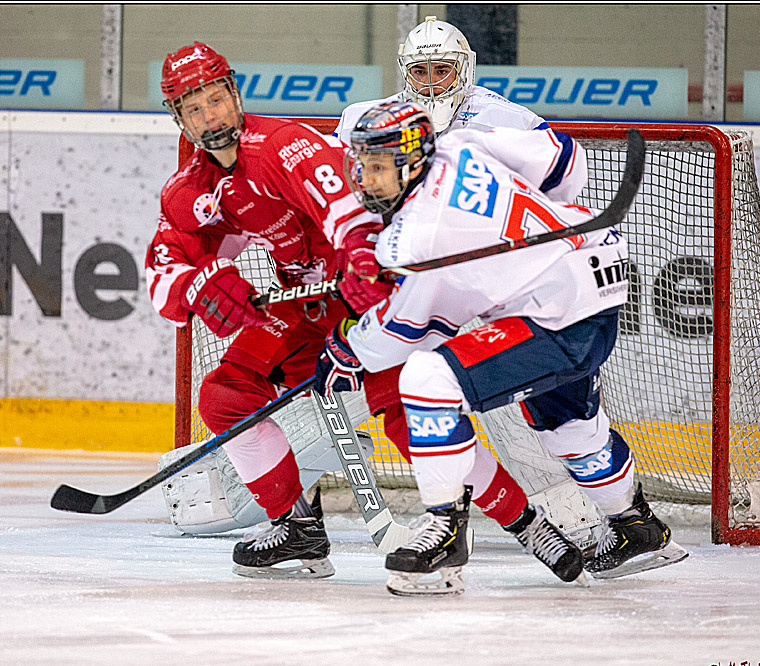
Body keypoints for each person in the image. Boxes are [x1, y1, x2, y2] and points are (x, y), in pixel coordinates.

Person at [145, 42, 568, 582]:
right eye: (194, 107)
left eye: (215, 99)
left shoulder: (282, 145)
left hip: (361, 295)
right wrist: (202, 284)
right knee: (226, 395)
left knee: (412, 416)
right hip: (303, 307)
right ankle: (296, 526)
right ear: (178, 117)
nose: (211, 116)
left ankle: (526, 522)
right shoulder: (190, 187)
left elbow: (349, 211)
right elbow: (163, 271)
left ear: (234, 92)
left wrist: (365, 260)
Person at [317, 101, 688, 596]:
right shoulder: (459, 143)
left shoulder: (414, 236)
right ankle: (637, 526)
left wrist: (347, 347)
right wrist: (536, 229)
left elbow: (408, 333)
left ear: (409, 161)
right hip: (596, 271)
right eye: (361, 164)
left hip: (556, 316)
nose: (364, 178)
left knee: (427, 379)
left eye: (377, 166)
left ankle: (444, 528)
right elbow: (565, 164)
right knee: (568, 428)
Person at [334, 16, 548, 146]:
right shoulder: (359, 120)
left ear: (462, 69)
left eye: (442, 70)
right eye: (419, 71)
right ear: (406, 72)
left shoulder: (512, 121)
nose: (430, 82)